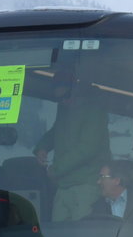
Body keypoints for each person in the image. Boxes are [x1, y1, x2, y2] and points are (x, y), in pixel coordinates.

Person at [35, 70, 111, 221]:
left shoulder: (94, 109)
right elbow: (55, 131)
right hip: (63, 184)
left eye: (66, 96)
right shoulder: (64, 108)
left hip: (86, 184)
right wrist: (41, 147)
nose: (63, 101)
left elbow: (87, 148)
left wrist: (55, 169)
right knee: (58, 236)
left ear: (76, 88)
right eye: (59, 99)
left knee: (81, 234)